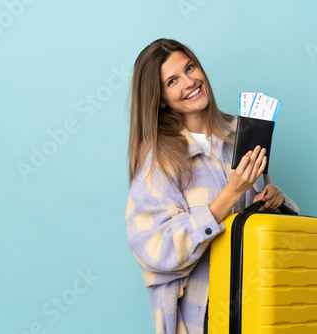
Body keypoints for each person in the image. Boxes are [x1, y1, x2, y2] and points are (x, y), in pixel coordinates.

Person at [125, 38, 298, 334]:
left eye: (190, 67)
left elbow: (265, 232)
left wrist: (278, 202)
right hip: (202, 315)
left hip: (260, 301)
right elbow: (155, 250)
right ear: (161, 98)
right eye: (172, 80)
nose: (190, 82)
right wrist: (230, 194)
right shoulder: (158, 158)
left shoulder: (241, 133)